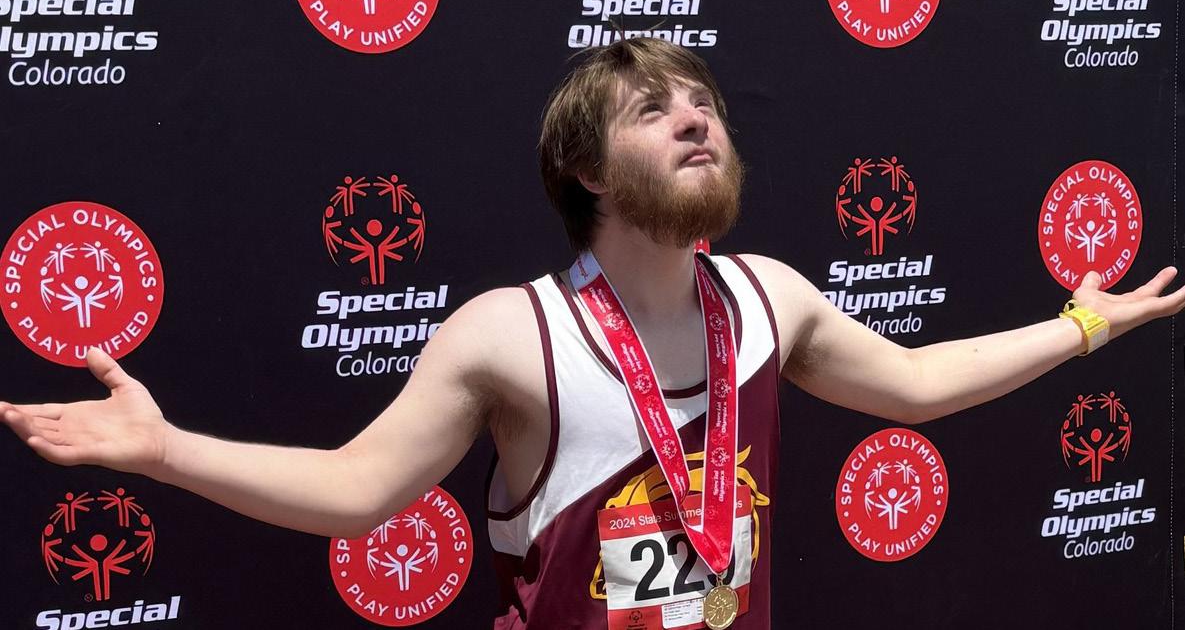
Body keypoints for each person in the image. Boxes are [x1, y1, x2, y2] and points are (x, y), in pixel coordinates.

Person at [2, 38, 1182, 629]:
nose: (695, 119)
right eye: (652, 110)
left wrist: (1082, 325)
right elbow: (358, 491)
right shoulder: (508, 336)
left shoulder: (769, 296)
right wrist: (164, 452)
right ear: (585, 170)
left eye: (705, 105)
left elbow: (917, 384)